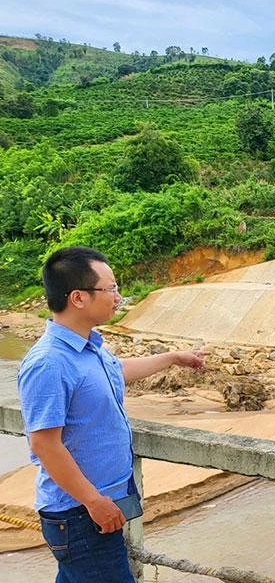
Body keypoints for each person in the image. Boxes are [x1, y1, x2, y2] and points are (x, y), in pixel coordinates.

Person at [17, 246, 206, 582]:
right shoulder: (49, 362)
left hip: (98, 505)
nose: (118, 296)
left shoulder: (90, 346)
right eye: (111, 288)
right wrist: (94, 502)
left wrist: (173, 357)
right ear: (78, 297)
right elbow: (45, 445)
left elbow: (117, 371)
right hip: (79, 514)